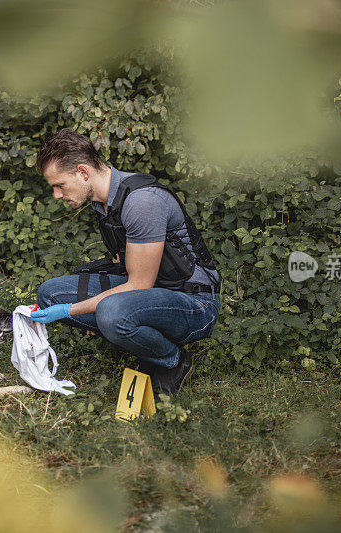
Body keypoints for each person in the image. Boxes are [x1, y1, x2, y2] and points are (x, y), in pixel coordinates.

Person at [29, 128, 221, 394]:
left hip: (194, 303)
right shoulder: (103, 203)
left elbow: (139, 285)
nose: (57, 195)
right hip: (153, 291)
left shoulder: (141, 203)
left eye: (59, 185)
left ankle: (172, 361)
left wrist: (74, 311)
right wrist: (77, 304)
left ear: (83, 173)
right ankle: (140, 340)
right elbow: (123, 264)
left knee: (110, 312)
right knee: (51, 294)